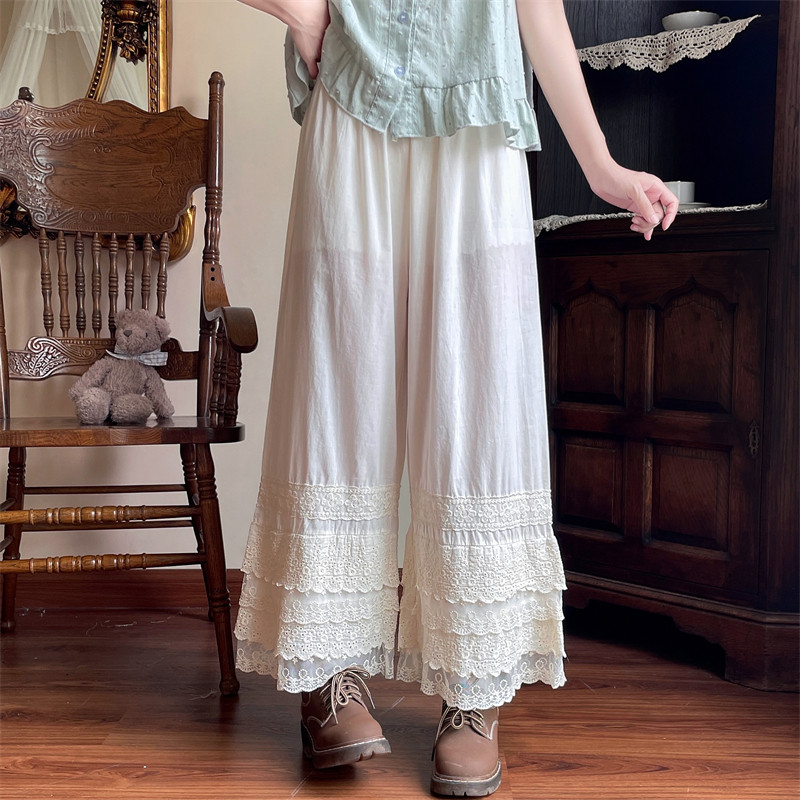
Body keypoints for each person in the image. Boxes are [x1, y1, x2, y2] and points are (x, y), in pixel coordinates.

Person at [234, 1, 678, 796]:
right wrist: (300, 10)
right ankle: (329, 669)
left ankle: (474, 683)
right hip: (354, 102)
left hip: (478, 122)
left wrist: (602, 167)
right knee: (338, 376)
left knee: (478, 390)